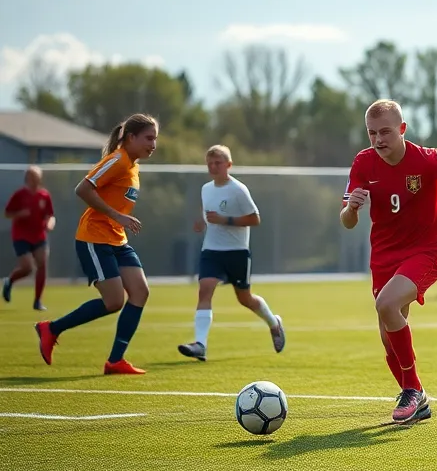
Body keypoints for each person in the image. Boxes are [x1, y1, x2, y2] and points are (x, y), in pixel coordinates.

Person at [341, 99, 437, 425]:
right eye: (372, 133)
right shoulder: (363, 163)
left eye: (386, 131)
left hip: (428, 250)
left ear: (402, 129)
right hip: (385, 254)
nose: (378, 139)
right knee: (388, 333)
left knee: (386, 305)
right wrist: (352, 210)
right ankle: (418, 400)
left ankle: (413, 390)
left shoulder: (427, 159)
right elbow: (346, 221)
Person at [34, 114, 158, 375]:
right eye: (148, 138)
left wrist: (118, 219)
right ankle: (51, 329)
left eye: (155, 138)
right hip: (94, 238)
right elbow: (83, 188)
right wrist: (117, 215)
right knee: (114, 301)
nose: (153, 144)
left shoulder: (133, 166)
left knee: (140, 292)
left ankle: (115, 361)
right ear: (131, 137)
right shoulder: (117, 160)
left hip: (116, 239)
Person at [177, 145, 285, 361]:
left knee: (245, 298)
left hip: (237, 253)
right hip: (212, 250)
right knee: (205, 289)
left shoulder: (238, 190)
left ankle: (274, 323)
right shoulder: (206, 188)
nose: (213, 167)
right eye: (210, 163)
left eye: (218, 163)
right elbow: (208, 214)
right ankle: (200, 345)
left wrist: (226, 220)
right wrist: (202, 222)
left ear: (229, 165)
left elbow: (255, 219)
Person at [4, 166, 55, 311]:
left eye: (36, 177)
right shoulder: (19, 195)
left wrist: (50, 224)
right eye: (31, 177)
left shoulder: (44, 195)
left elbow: (50, 215)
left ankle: (37, 301)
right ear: (27, 178)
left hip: (39, 235)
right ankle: (10, 281)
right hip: (21, 235)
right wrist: (20, 214)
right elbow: (7, 213)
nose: (34, 180)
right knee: (27, 268)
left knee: (42, 264)